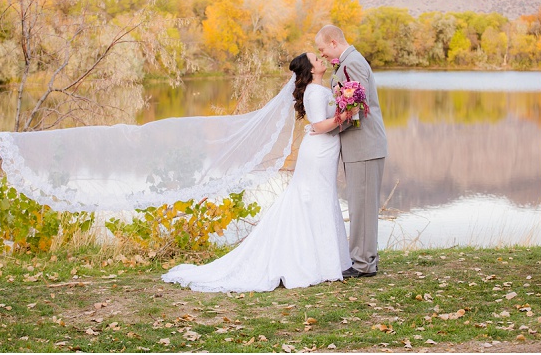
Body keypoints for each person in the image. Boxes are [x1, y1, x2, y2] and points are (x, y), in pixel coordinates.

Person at [160, 53, 357, 292]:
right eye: (317, 59)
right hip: (318, 153)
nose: (321, 60)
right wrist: (345, 115)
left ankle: (326, 261)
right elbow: (319, 125)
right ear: (310, 69)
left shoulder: (321, 88)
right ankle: (316, 263)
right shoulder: (314, 93)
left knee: (321, 199)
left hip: (324, 151)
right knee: (314, 199)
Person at [314, 25, 389, 279]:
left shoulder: (352, 62)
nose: (321, 54)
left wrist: (327, 131)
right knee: (360, 204)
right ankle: (365, 259)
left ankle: (363, 264)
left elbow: (358, 106)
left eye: (322, 49)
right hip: (359, 146)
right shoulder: (346, 63)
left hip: (365, 145)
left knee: (363, 205)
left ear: (334, 42)